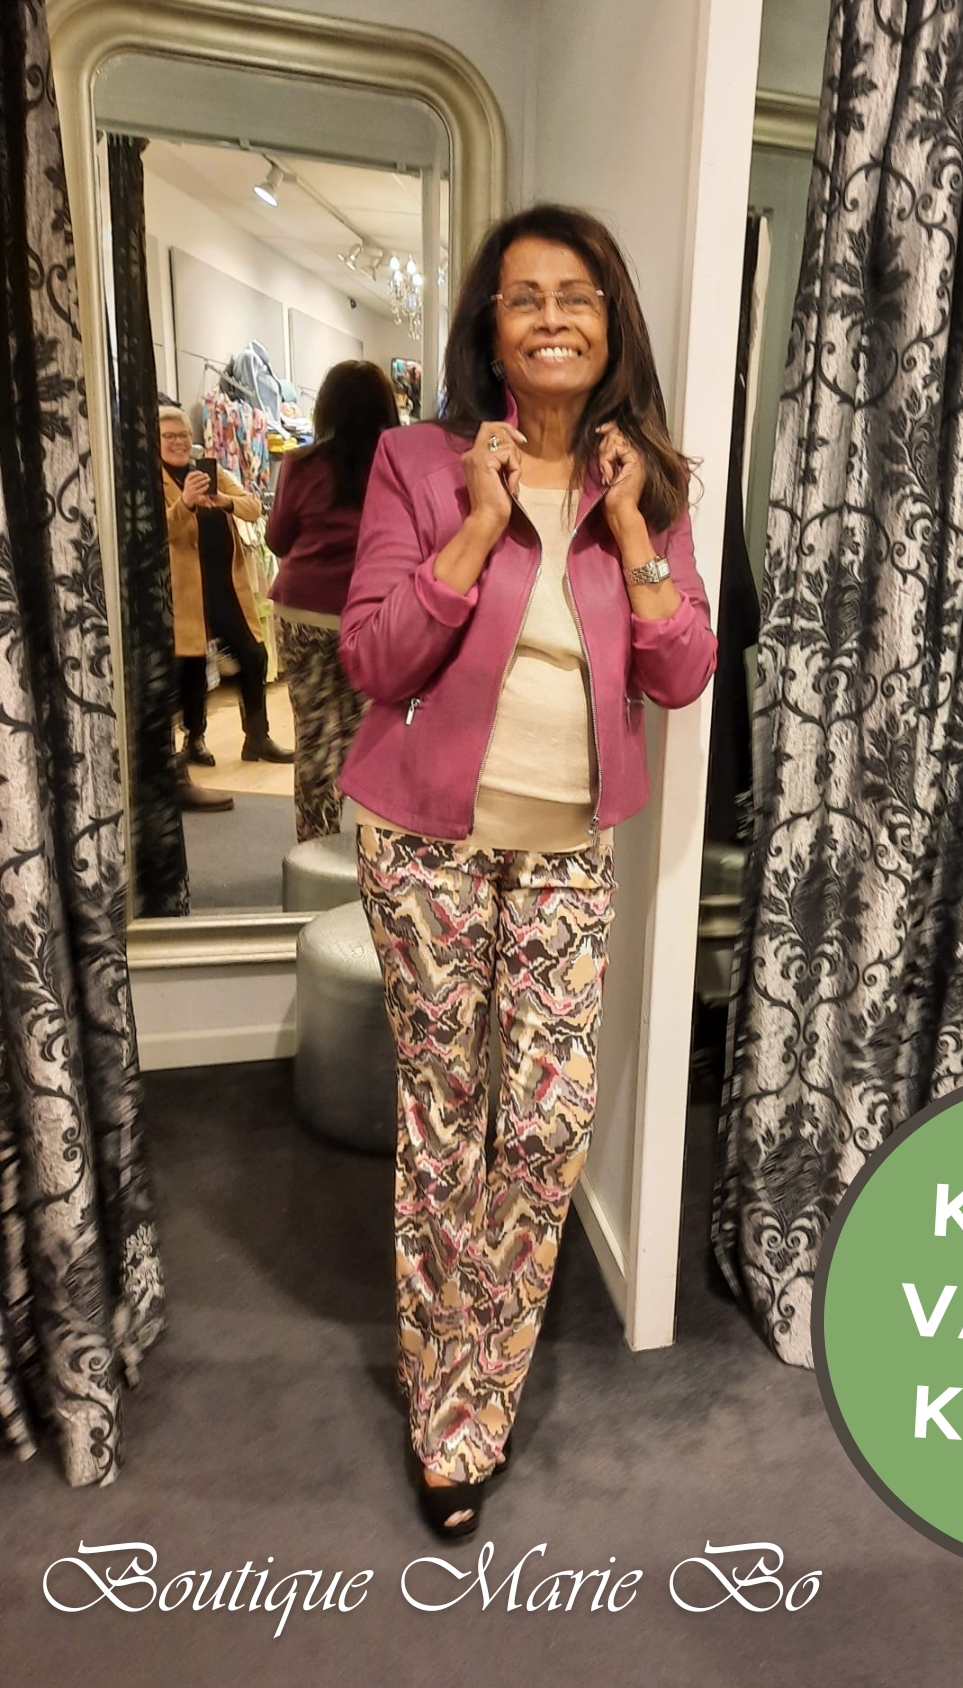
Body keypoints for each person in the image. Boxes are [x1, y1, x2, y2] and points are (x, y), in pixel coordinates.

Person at [339, 205, 717, 1538]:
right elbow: (374, 656)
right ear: (490, 330)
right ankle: (447, 1413)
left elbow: (681, 670)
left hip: (566, 853)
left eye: (577, 295)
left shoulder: (647, 482)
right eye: (524, 297)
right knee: (447, 1125)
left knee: (545, 1126)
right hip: (425, 845)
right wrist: (479, 524)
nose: (552, 315)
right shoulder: (417, 462)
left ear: (611, 324)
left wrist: (629, 528)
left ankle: (481, 1378)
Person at [266, 361, 400, 840]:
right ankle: (374, 847)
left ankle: (315, 849)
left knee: (315, 736)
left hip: (302, 612)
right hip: (373, 616)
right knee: (371, 734)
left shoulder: (301, 464)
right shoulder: (398, 465)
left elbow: (277, 539)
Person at [158, 406, 293, 766]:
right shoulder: (153, 480)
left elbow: (253, 507)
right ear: (155, 442)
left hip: (226, 585)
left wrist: (225, 501)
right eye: (169, 436)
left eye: (183, 435)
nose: (178, 442)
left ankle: (257, 738)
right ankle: (194, 740)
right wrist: (186, 502)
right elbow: (159, 530)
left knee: (254, 654)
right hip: (186, 591)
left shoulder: (211, 471)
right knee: (192, 666)